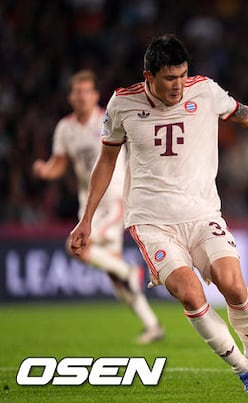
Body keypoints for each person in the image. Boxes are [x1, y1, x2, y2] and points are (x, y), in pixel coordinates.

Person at [68, 34, 248, 393]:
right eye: (169, 78)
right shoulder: (122, 103)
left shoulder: (205, 91)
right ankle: (246, 372)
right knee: (191, 294)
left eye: (182, 75)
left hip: (202, 213)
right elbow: (106, 161)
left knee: (233, 285)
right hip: (152, 222)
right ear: (149, 76)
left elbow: (245, 115)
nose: (178, 85)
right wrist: (86, 218)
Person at [33, 69, 164, 345]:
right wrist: (46, 171)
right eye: (77, 92)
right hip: (89, 206)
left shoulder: (109, 119)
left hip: (114, 199)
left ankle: (129, 271)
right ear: (70, 97)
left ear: (95, 96)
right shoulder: (65, 128)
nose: (82, 96)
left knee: (77, 246)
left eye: (86, 91)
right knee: (114, 276)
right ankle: (152, 325)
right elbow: (60, 163)